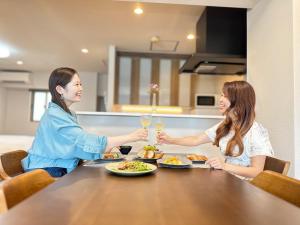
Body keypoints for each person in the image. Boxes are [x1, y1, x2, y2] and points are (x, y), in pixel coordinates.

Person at [22, 67, 147, 177]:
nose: (81, 88)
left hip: (57, 164)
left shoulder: (67, 113)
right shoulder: (54, 115)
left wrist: (106, 147)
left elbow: (77, 145)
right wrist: (131, 137)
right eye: (76, 84)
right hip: (45, 170)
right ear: (60, 89)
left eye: (80, 84)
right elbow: (82, 141)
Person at [157, 80, 274, 179]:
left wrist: (224, 166)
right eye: (222, 95)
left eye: (225, 96)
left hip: (247, 191)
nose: (220, 100)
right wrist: (170, 140)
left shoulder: (256, 131)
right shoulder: (226, 125)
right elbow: (195, 140)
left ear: (239, 101)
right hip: (229, 181)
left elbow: (257, 172)